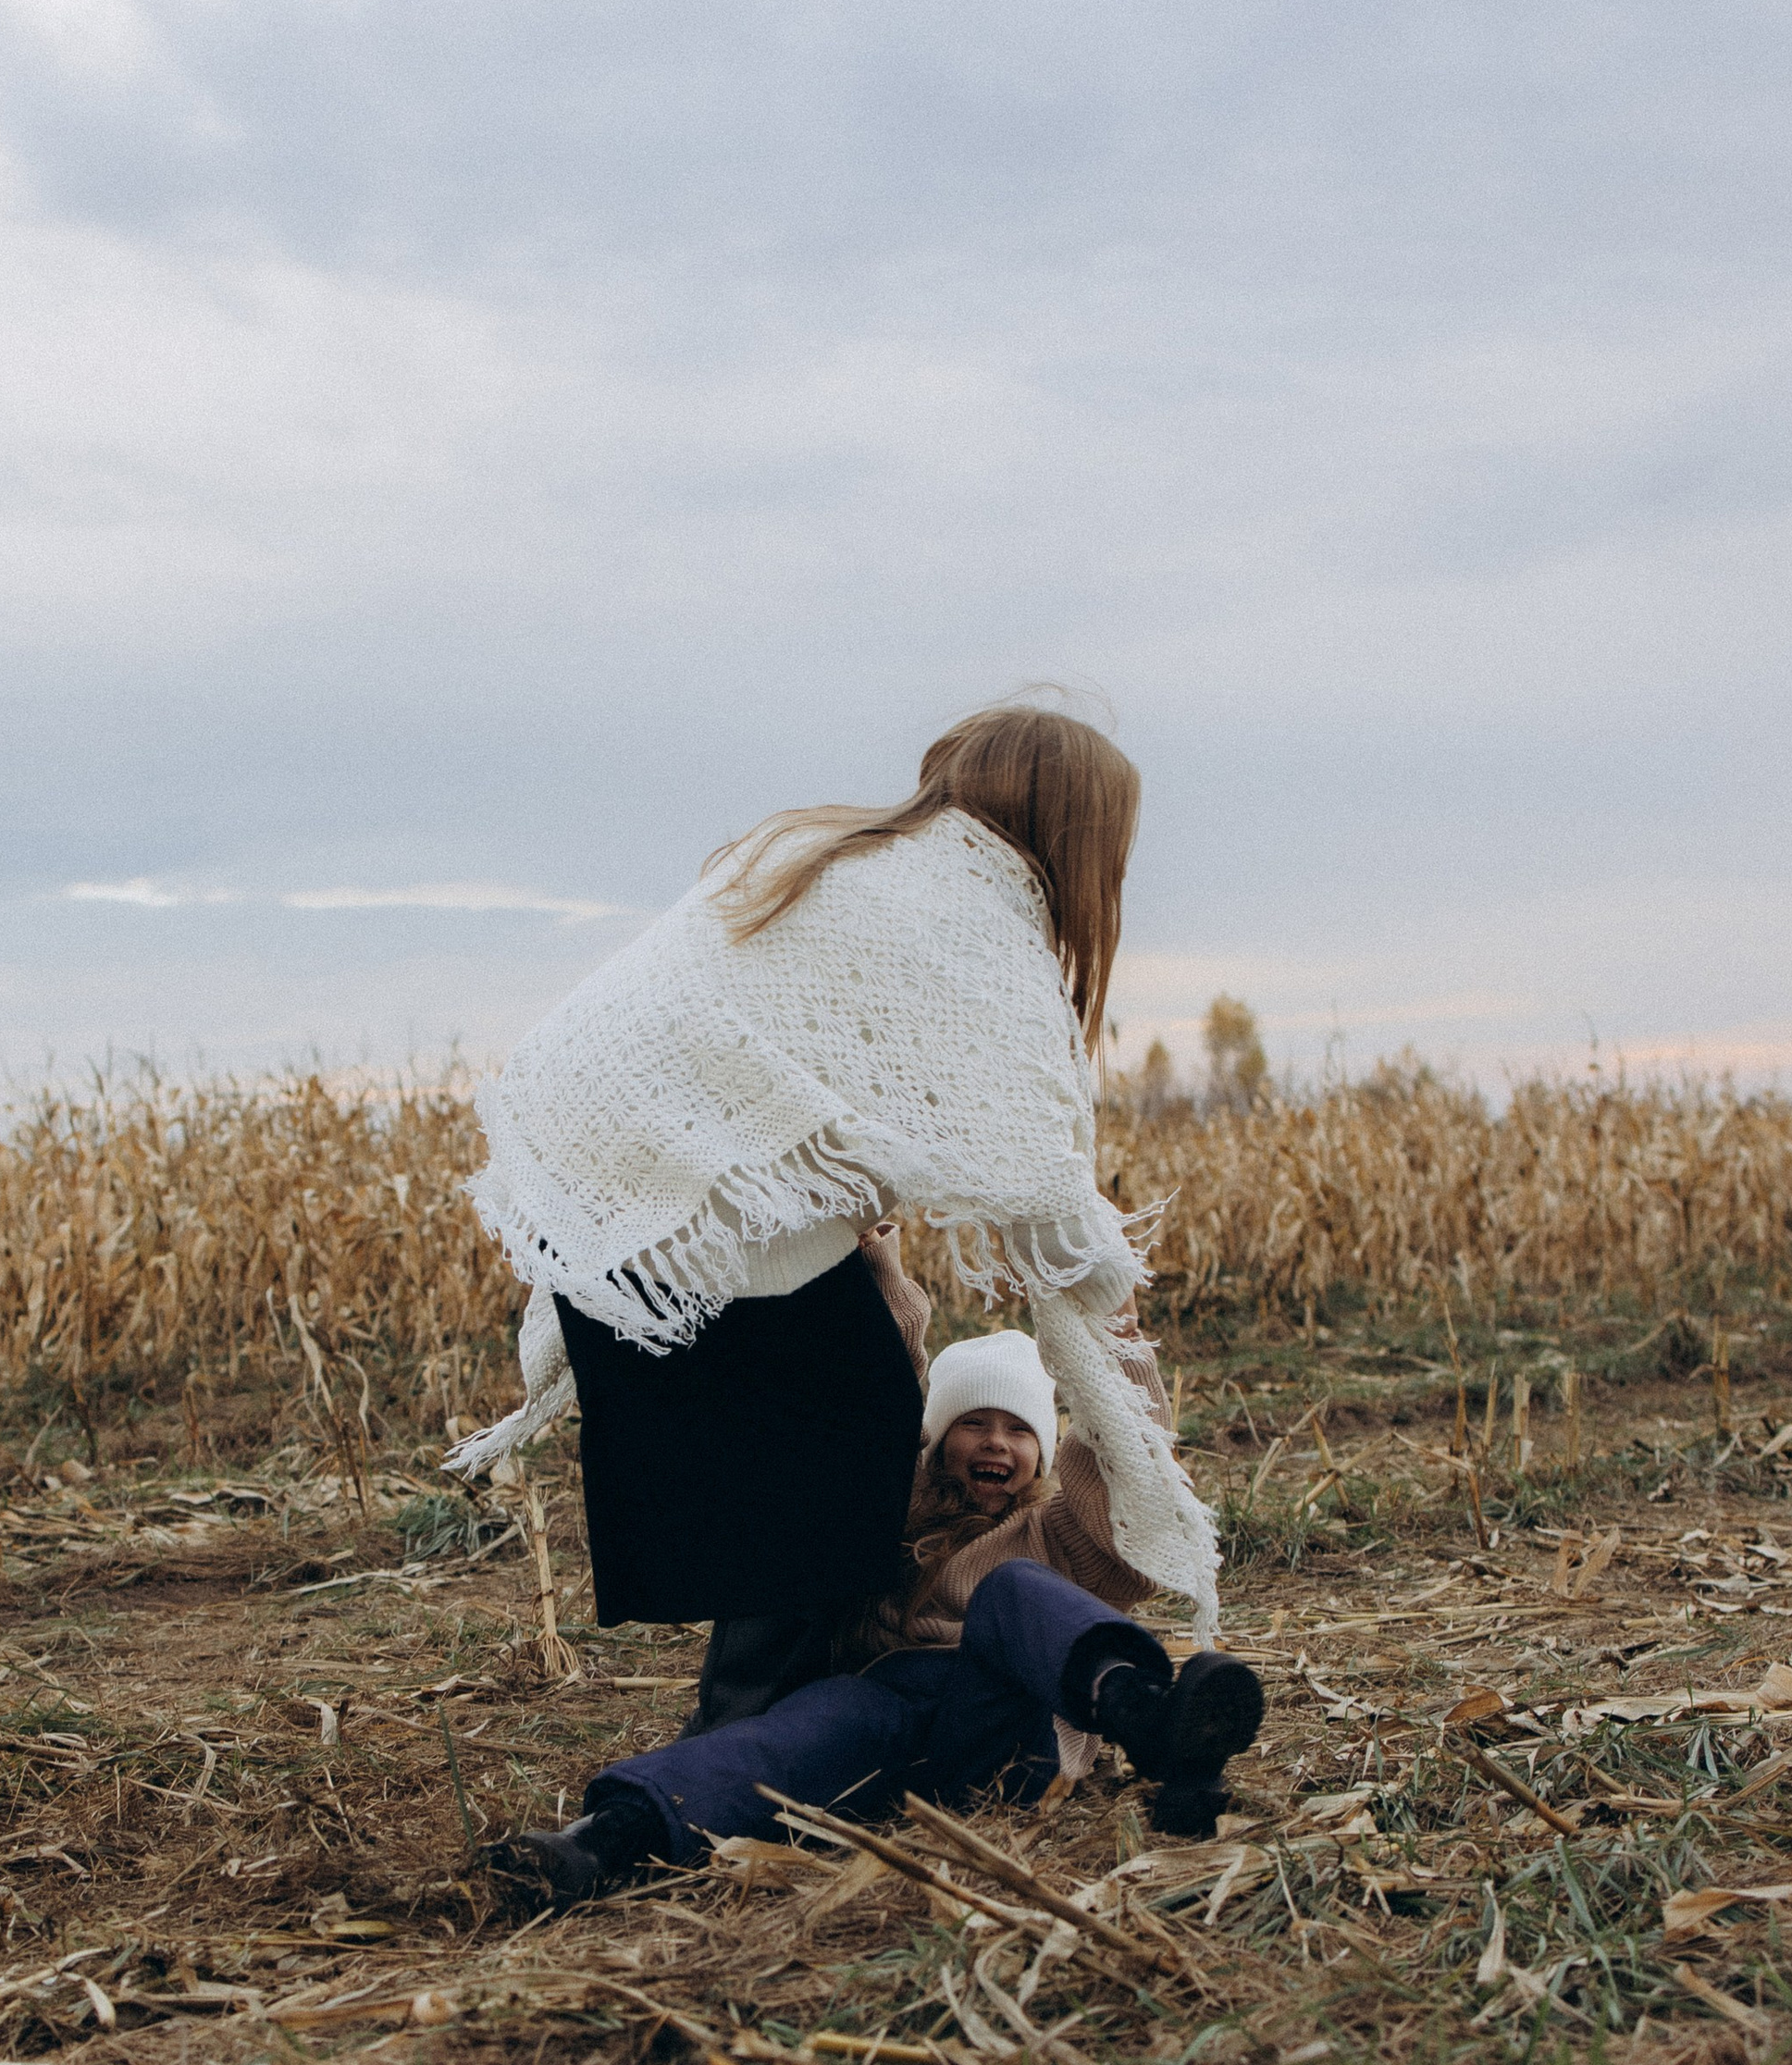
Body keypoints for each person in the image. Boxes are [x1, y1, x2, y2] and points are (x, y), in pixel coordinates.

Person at [445, 703, 1221, 1725]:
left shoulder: (833, 859)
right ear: (1074, 830)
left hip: (616, 1219)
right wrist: (1105, 1307)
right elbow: (1040, 1187)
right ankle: (753, 1744)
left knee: (811, 1480)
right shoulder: (970, 907)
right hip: (692, 1240)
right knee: (831, 1471)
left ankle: (768, 1723)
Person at [487, 1319, 1264, 1910]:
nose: (996, 1441)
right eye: (973, 1423)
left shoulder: (1059, 1533)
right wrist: (865, 1235)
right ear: (935, 1441)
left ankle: (1149, 1717)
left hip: (1004, 1731)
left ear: (1046, 1450)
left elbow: (1131, 1452)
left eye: (1020, 1429)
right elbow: (875, 1365)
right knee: (800, 1727)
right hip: (881, 1723)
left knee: (1011, 1591)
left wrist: (1111, 1324)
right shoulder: (887, 1507)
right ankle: (604, 1842)